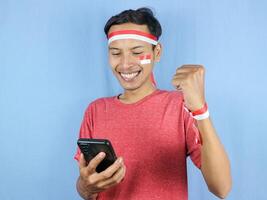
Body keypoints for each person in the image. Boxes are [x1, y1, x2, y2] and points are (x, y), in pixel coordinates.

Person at [74, 7, 232, 200]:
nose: (125, 64)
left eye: (137, 52)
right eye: (116, 53)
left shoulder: (180, 106)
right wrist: (86, 187)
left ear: (156, 52)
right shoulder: (95, 110)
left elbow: (222, 188)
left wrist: (200, 110)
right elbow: (86, 189)